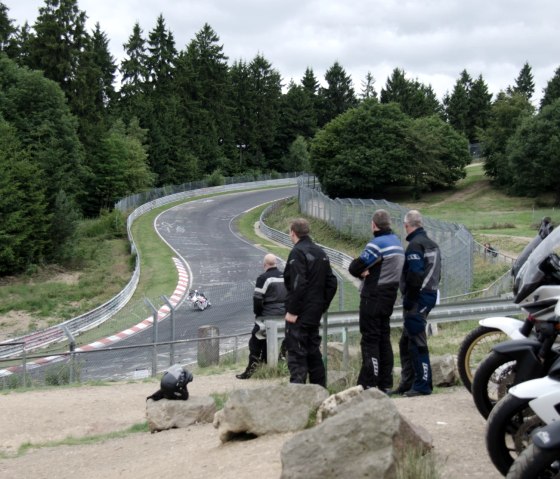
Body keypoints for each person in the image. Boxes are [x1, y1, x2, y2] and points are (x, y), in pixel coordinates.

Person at [348, 209, 405, 392]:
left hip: (373, 296)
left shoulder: (377, 244)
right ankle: (385, 383)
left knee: (369, 339)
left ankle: (369, 383)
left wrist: (362, 271)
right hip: (390, 295)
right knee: (384, 338)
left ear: (374, 225)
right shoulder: (397, 242)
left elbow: (355, 266)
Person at [390, 210, 441, 397]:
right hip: (430, 294)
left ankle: (423, 384)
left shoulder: (415, 246)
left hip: (418, 298)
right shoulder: (433, 245)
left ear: (407, 225)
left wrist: (409, 300)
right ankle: (408, 381)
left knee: (417, 340)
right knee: (406, 340)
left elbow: (415, 275)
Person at [283, 218, 338, 387]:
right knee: (313, 351)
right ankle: (319, 389)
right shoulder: (321, 252)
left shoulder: (298, 252)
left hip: (300, 311)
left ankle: (298, 391)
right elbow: (332, 282)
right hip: (314, 311)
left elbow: (298, 283)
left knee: (296, 351)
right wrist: (322, 305)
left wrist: (292, 310)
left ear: (293, 232)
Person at [236, 254, 287, 379]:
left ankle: (251, 369)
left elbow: (257, 299)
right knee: (271, 340)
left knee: (255, 341)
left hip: (268, 316)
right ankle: (271, 363)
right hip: (284, 318)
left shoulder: (263, 278)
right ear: (276, 264)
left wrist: (258, 315)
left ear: (265, 265)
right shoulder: (286, 277)